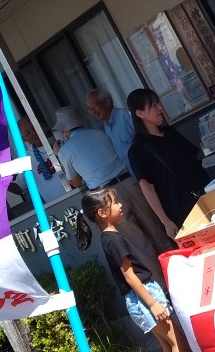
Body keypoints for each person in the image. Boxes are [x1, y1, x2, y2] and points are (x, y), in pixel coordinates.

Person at [76, 187, 215, 352]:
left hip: (137, 299)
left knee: (168, 345)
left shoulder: (108, 238)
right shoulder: (114, 239)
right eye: (115, 203)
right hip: (144, 297)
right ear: (102, 212)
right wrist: (153, 304)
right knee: (177, 343)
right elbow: (130, 276)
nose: (120, 205)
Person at [53, 105, 174, 255]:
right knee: (155, 228)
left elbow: (75, 182)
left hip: (106, 195)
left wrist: (59, 155)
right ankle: (173, 258)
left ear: (64, 130)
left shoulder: (65, 151)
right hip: (128, 182)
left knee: (136, 242)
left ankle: (155, 269)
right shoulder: (99, 134)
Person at [126, 89, 208, 239]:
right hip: (180, 209)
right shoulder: (137, 150)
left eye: (158, 103)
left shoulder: (170, 132)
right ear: (140, 113)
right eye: (153, 105)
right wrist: (166, 222)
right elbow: (148, 188)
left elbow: (193, 161)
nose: (159, 108)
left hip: (204, 195)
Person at [17, 115, 68, 203]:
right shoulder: (26, 158)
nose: (34, 133)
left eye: (34, 127)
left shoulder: (60, 136)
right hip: (57, 204)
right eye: (28, 133)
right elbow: (19, 187)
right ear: (24, 139)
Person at [85, 88, 136, 175]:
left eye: (94, 106)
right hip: (133, 174)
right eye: (89, 109)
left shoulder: (125, 116)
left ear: (107, 103)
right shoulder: (107, 126)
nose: (92, 112)